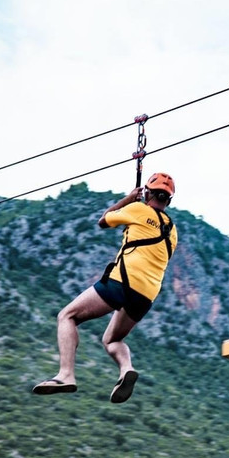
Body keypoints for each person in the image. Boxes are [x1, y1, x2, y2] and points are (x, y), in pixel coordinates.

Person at [32, 172, 178, 403]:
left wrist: (129, 199)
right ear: (168, 200)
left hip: (124, 281)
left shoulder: (138, 209)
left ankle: (66, 375)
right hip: (146, 296)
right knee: (111, 340)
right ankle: (126, 368)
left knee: (66, 316)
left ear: (147, 193)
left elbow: (104, 220)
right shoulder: (172, 231)